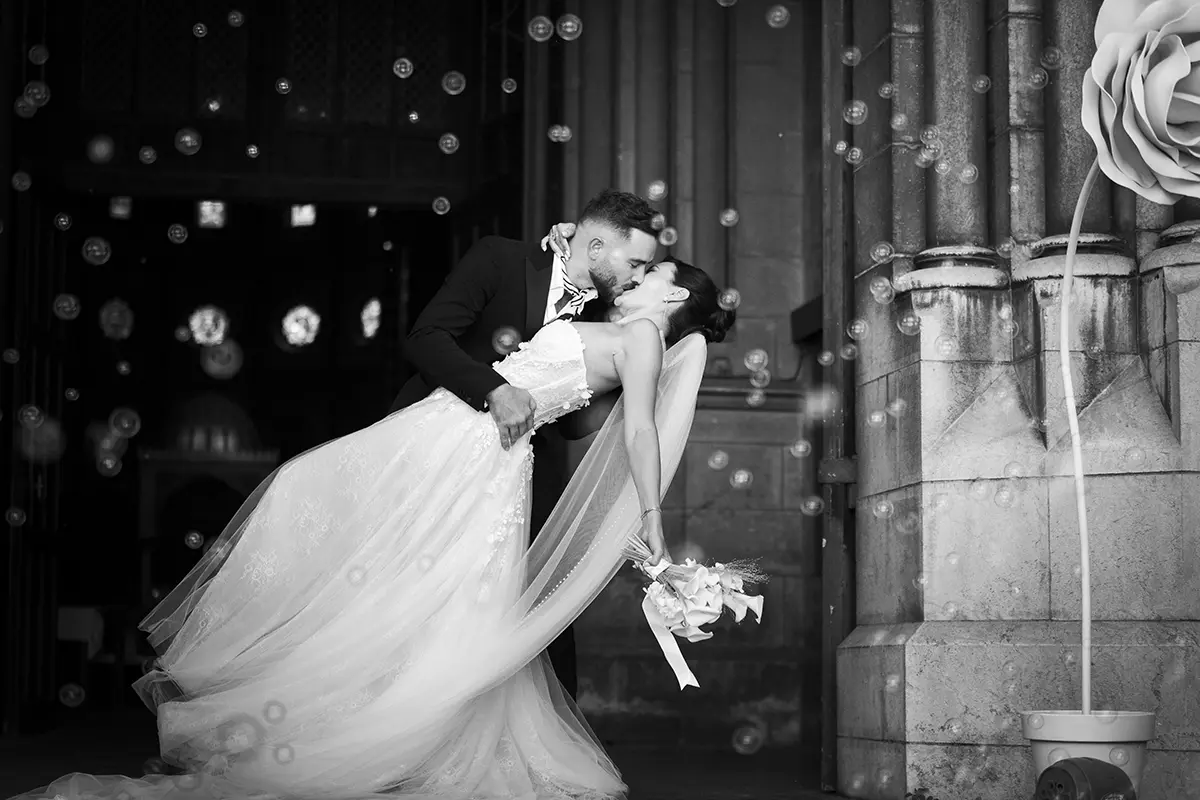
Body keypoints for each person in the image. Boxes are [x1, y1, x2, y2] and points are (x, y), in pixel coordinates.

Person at [9, 249, 735, 800]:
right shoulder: (610, 325)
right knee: (326, 508)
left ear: (672, 294)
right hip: (457, 430)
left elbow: (638, 433)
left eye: (649, 272)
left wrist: (652, 527)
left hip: (475, 451)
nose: (633, 277)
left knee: (389, 557)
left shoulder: (642, 340)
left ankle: (392, 731)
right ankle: (350, 699)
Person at [390, 189, 660, 700]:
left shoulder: (610, 317)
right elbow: (425, 338)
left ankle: (549, 721)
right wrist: (493, 390)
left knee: (521, 606)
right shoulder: (501, 257)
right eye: (637, 262)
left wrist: (628, 391)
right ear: (596, 246)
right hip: (438, 447)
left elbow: (570, 423)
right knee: (415, 592)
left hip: (516, 479)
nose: (639, 276)